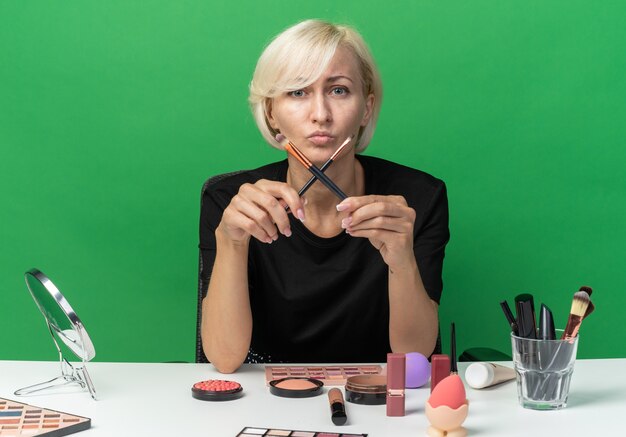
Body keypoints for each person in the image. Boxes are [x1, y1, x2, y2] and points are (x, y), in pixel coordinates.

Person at [199, 19, 449, 373]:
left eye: (339, 91)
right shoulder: (231, 201)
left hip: (376, 394)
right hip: (267, 395)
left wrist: (402, 259)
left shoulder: (416, 199)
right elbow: (224, 359)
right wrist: (231, 240)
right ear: (272, 113)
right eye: (298, 92)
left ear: (365, 108)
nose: (320, 115)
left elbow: (413, 356)